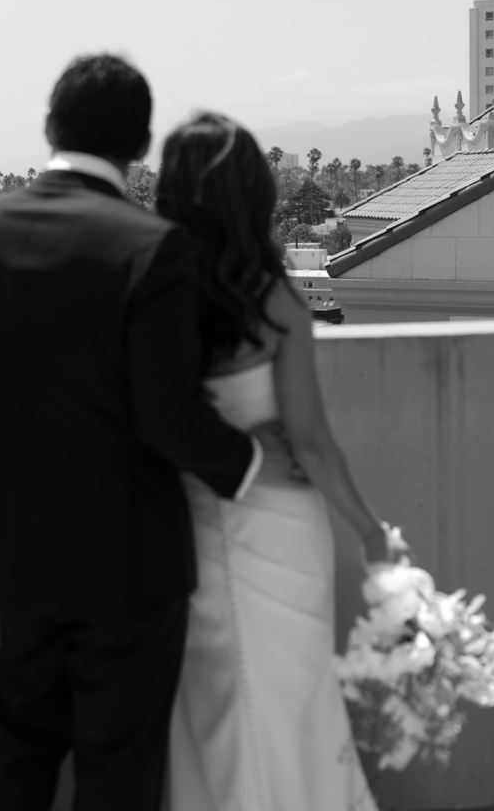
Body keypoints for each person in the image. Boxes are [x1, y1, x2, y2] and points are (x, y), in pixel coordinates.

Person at [0, 55, 286, 811]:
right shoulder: (154, 246)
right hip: (130, 557)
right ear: (140, 143)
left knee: (19, 741)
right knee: (118, 766)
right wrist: (252, 463)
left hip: (17, 548)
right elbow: (168, 413)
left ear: (49, 125)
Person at [156, 112, 408, 811]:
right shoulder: (272, 299)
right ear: (254, 195)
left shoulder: (151, 293)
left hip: (191, 520)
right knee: (294, 700)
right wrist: (370, 531)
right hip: (282, 524)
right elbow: (313, 440)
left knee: (214, 706)